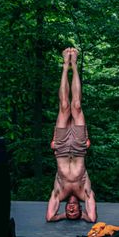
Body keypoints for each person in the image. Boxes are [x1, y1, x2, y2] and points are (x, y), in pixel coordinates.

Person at [46, 48, 97, 222]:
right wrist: (81, 216)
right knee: (75, 106)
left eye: (70, 212)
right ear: (80, 208)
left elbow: (50, 216)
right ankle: (73, 64)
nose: (72, 209)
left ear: (66, 208)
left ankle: (64, 65)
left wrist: (63, 216)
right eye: (75, 212)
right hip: (79, 147)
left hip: (60, 148)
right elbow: (91, 218)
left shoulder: (60, 193)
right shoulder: (84, 193)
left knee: (64, 106)